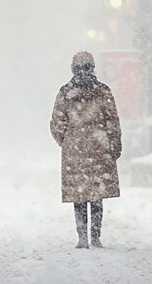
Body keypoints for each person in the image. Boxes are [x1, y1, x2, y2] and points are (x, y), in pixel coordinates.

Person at [50, 52, 122, 248]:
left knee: (79, 196)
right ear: (93, 67)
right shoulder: (103, 91)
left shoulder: (65, 92)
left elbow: (56, 123)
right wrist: (114, 144)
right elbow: (112, 121)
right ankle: (96, 237)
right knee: (97, 195)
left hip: (75, 151)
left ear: (73, 69)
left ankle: (82, 238)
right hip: (100, 147)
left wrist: (67, 141)